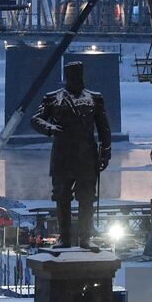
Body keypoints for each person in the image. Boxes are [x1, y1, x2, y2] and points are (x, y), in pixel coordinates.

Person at [29, 62, 112, 248]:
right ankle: (64, 239)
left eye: (78, 75)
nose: (75, 78)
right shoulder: (52, 98)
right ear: (67, 76)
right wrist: (50, 129)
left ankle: (85, 239)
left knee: (87, 200)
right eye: (72, 75)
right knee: (61, 198)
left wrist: (105, 153)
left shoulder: (94, 98)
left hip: (87, 158)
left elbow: (104, 128)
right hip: (62, 157)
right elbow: (35, 120)